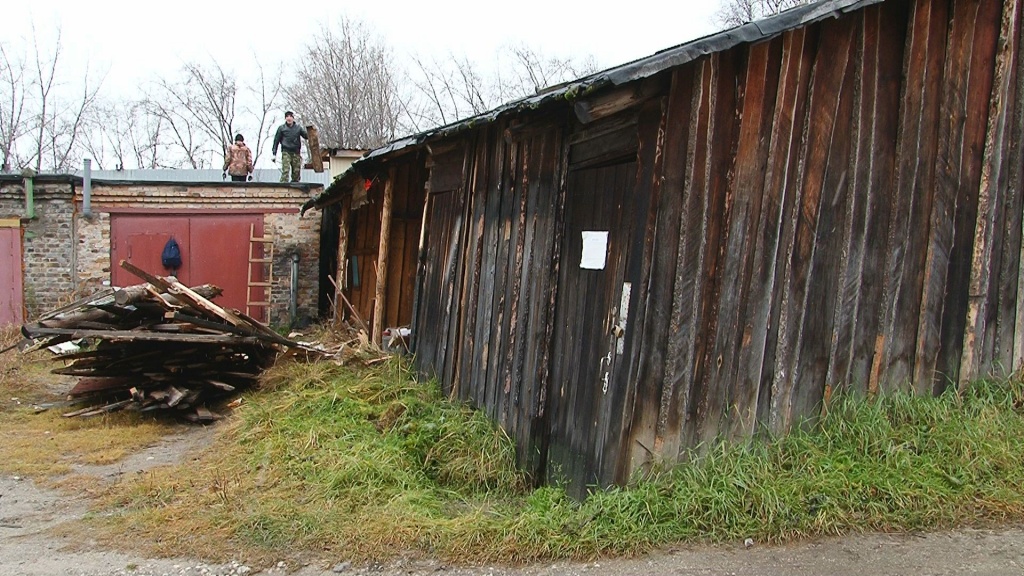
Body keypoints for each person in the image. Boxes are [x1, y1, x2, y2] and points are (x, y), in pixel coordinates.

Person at [271, 111, 308, 183]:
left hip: (296, 152)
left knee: (296, 172)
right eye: (287, 116)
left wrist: (312, 132)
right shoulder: (281, 128)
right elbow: (276, 141)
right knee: (286, 170)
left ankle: (295, 186)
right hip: (286, 151)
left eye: (290, 116)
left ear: (293, 118)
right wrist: (274, 154)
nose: (289, 118)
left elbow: (306, 136)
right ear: (285, 118)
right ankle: (283, 186)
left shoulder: (298, 128)